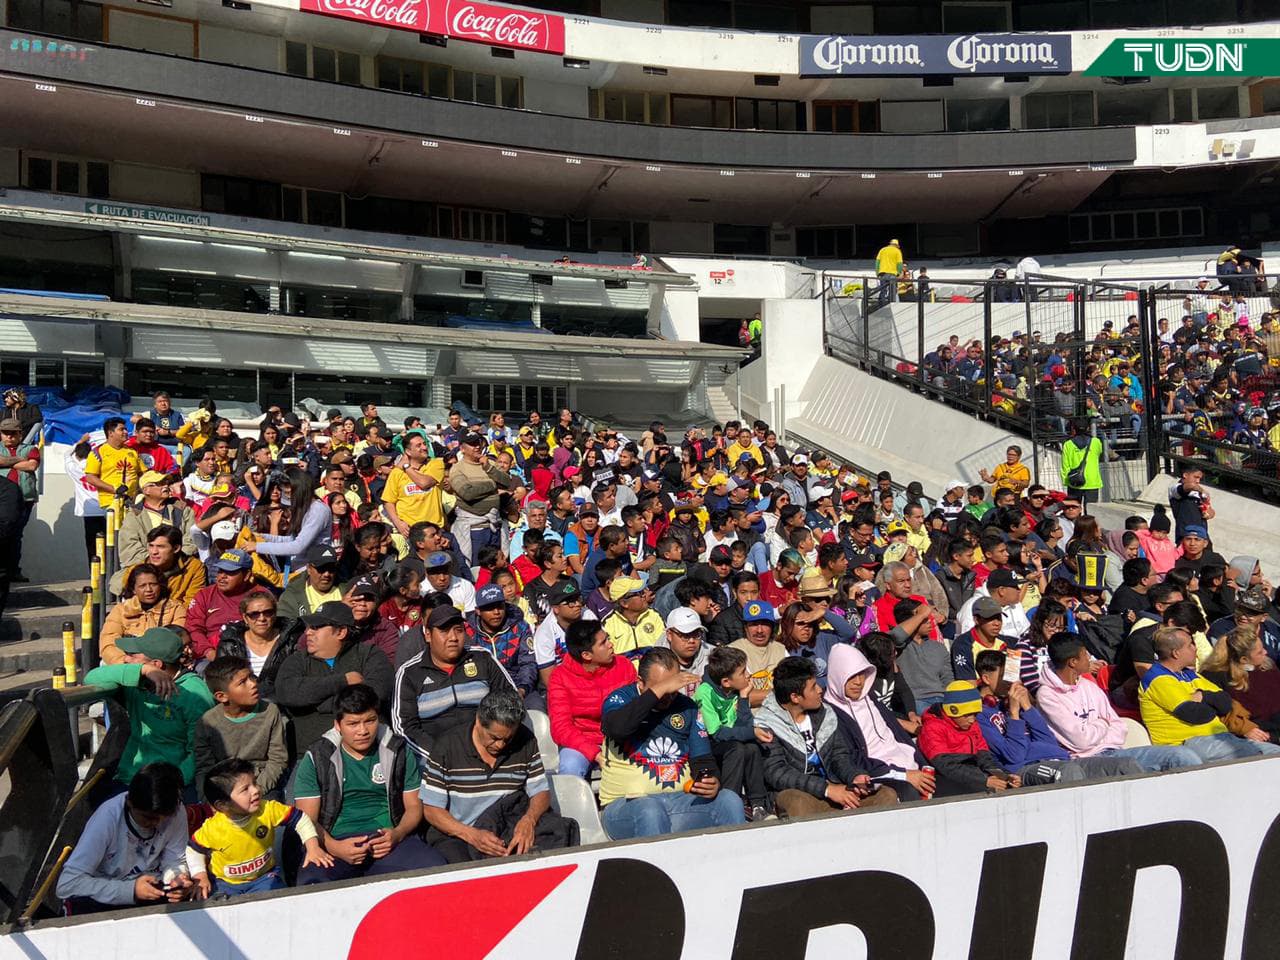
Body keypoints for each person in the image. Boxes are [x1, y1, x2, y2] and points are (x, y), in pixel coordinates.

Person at [294, 684, 445, 883]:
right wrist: (334, 847)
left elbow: (414, 806)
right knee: (312, 882)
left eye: (370, 721)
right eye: (353, 724)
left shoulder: (398, 750)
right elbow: (306, 818)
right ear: (338, 725)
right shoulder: (317, 757)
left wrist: (397, 834)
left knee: (437, 870)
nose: (363, 731)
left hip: (387, 839)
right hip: (335, 841)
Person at [598, 647, 744, 839]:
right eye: (661, 687)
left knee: (729, 800)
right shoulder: (621, 699)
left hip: (680, 801)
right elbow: (616, 729)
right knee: (650, 810)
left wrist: (711, 781)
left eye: (672, 688)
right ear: (640, 683)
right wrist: (658, 692)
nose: (668, 695)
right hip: (626, 805)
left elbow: (703, 759)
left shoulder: (687, 706)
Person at [422, 689, 577, 862]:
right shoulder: (447, 747)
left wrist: (529, 820)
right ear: (479, 722)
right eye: (494, 738)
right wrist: (472, 835)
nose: (500, 745)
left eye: (507, 739)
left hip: (507, 826)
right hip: (459, 834)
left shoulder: (525, 740)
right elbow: (431, 810)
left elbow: (540, 791)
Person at [755, 656, 898, 817]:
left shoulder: (825, 714)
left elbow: (839, 755)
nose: (819, 690)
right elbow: (777, 773)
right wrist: (826, 789)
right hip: (798, 792)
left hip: (835, 786)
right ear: (795, 697)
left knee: (886, 795)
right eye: (813, 687)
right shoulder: (767, 724)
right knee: (798, 804)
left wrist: (853, 775)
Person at [974, 650, 1140, 785]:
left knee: (1125, 765)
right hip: (1026, 767)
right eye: (1003, 675)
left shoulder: (1013, 703)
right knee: (1069, 772)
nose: (1009, 682)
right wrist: (1014, 715)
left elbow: (1048, 741)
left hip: (1061, 758)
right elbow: (1013, 756)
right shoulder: (981, 715)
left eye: (1011, 675)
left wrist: (1027, 708)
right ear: (987, 678)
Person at [84, 627, 216, 794]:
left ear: (157, 664)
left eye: (133, 656)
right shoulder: (137, 681)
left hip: (170, 785)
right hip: (128, 777)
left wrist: (172, 784)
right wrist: (143, 670)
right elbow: (91, 678)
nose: (126, 659)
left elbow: (198, 751)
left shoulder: (195, 694)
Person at [56, 763, 195, 914]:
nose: (157, 823)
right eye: (148, 818)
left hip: (153, 889)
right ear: (129, 801)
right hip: (106, 895)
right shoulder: (107, 819)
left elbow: (174, 859)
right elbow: (67, 884)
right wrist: (131, 890)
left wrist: (176, 879)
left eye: (164, 818)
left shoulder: (176, 810)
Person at [187, 758, 331, 898]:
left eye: (254, 782)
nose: (255, 790)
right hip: (224, 884)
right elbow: (193, 849)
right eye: (245, 789)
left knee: (277, 902)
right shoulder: (213, 828)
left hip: (264, 878)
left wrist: (313, 847)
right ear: (222, 805)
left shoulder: (267, 810)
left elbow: (300, 818)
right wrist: (200, 875)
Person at [392, 603, 518, 763]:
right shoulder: (410, 673)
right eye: (444, 631)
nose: (453, 637)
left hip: (488, 754)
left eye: (459, 630)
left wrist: (490, 745)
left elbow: (511, 701)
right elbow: (404, 728)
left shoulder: (482, 659)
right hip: (433, 762)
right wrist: (440, 755)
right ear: (428, 635)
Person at [1139, 625, 1280, 763]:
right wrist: (1213, 703)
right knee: (1262, 756)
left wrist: (1204, 696)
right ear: (1176, 653)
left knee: (1273, 752)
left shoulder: (1190, 675)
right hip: (1188, 742)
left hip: (1219, 736)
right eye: (1190, 645)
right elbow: (1194, 714)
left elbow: (1226, 703)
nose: (1195, 648)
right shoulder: (1158, 679)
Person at [274, 601, 395, 755]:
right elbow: (286, 692)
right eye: (308, 627)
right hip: (309, 755)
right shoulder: (297, 660)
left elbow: (378, 693)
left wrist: (317, 703)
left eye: (316, 627)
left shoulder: (370, 655)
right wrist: (342, 682)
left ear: (341, 632)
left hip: (368, 754)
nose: (308, 632)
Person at [823, 644, 934, 802]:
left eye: (862, 675)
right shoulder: (830, 713)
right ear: (838, 675)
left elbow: (899, 735)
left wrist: (923, 765)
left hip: (908, 765)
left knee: (950, 787)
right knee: (910, 794)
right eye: (851, 676)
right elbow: (852, 758)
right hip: (878, 775)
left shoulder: (870, 698)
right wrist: (903, 774)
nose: (859, 682)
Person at [195, 656, 288, 800]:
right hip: (225, 789)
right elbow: (204, 767)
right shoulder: (208, 722)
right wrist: (209, 799)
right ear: (222, 696)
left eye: (251, 676)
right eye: (242, 682)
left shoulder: (270, 711)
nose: (253, 684)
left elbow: (278, 760)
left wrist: (255, 791)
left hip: (261, 784)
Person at [693, 645, 770, 819]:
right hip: (708, 745)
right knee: (737, 748)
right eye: (743, 672)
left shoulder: (735, 691)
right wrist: (751, 732)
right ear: (726, 681)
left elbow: (744, 724)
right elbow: (716, 733)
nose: (748, 675)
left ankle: (758, 804)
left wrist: (743, 698)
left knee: (752, 748)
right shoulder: (705, 693)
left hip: (729, 740)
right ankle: (730, 802)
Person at [918, 681, 1021, 795]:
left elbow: (985, 758)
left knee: (1009, 788)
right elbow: (945, 766)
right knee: (989, 791)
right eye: (966, 715)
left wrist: (1005, 776)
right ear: (952, 710)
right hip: (944, 780)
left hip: (972, 775)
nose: (972, 720)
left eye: (975, 714)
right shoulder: (932, 728)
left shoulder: (973, 725)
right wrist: (984, 781)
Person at [215, 589, 301, 701]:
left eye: (268, 612)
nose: (262, 618)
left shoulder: (292, 640)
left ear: (275, 614)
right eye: (254, 614)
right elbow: (222, 681)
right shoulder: (230, 643)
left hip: (283, 705)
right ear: (245, 618)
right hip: (242, 706)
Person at [99, 563, 188, 665]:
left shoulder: (176, 609)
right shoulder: (120, 610)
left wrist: (148, 662)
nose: (149, 590)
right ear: (134, 589)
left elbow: (176, 643)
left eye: (153, 584)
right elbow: (108, 642)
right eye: (142, 586)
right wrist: (126, 660)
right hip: (128, 662)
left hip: (163, 663)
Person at [1202, 628, 1280, 743]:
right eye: (1259, 652)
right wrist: (1246, 729)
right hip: (1254, 734)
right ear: (1244, 659)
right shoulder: (1216, 676)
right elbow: (1223, 711)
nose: (1265, 652)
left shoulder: (1268, 668)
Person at [449, 432, 515, 562]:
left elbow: (507, 482)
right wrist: (492, 484)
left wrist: (489, 468)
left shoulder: (489, 463)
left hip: (494, 526)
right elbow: (467, 493)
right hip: (475, 529)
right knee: (477, 568)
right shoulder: (457, 469)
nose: (477, 447)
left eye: (478, 443)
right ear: (462, 448)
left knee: (497, 566)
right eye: (472, 444)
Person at [187, 549, 257, 661]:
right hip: (210, 657)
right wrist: (209, 652)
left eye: (230, 572)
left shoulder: (260, 596)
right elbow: (193, 628)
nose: (222, 577)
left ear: (247, 575)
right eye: (220, 571)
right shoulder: (204, 595)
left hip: (250, 654)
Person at [117, 471, 197, 569]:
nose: (166, 486)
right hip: (145, 568)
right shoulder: (134, 515)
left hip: (180, 565)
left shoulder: (183, 509)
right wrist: (155, 563)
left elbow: (191, 540)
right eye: (160, 484)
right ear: (146, 490)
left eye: (166, 483)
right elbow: (129, 549)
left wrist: (173, 561)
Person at [380, 432, 445, 535]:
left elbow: (424, 483)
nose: (424, 447)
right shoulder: (397, 473)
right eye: (419, 445)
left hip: (434, 528)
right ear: (408, 452)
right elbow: (388, 501)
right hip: (410, 530)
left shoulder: (436, 464)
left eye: (424, 444)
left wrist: (406, 466)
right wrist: (398, 523)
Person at [0, 417, 39, 582]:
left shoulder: (31, 448)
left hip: (24, 498)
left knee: (16, 534)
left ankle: (13, 570)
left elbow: (31, 465)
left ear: (20, 434)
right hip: (2, 500)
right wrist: (19, 460)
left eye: (13, 434)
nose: (9, 437)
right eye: (5, 433)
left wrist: (6, 463)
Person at [729, 600, 788, 708]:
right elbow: (743, 698)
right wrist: (782, 693)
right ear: (745, 627)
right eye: (754, 624)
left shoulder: (781, 650)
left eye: (765, 624)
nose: (759, 630)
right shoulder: (733, 651)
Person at [84, 417, 143, 517]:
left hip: (132, 503)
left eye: (126, 429)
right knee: (117, 532)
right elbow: (90, 477)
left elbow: (143, 473)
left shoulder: (132, 451)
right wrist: (114, 489)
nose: (125, 432)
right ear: (110, 433)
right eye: (121, 429)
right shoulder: (98, 452)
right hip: (111, 502)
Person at [601, 576, 664, 660]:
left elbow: (664, 649)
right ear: (624, 603)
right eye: (640, 593)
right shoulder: (608, 624)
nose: (645, 595)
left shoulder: (654, 615)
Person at [278, 543, 343, 620]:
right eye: (321, 569)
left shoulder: (348, 591)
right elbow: (285, 627)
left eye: (331, 568)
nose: (327, 574)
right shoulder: (291, 597)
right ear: (309, 569)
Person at [1060, 420, 1103, 507]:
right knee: (1092, 511)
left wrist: (1066, 481)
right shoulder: (1096, 442)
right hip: (1092, 481)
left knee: (1073, 510)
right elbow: (1099, 453)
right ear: (1088, 428)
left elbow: (1065, 465)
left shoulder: (1068, 444)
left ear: (1074, 429)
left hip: (1074, 481)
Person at [874, 238, 903, 309]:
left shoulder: (882, 250)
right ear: (897, 245)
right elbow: (899, 263)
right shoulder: (897, 251)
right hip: (892, 274)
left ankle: (881, 305)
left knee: (883, 290)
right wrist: (899, 273)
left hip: (882, 273)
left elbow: (877, 262)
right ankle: (891, 305)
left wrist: (877, 272)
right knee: (892, 290)